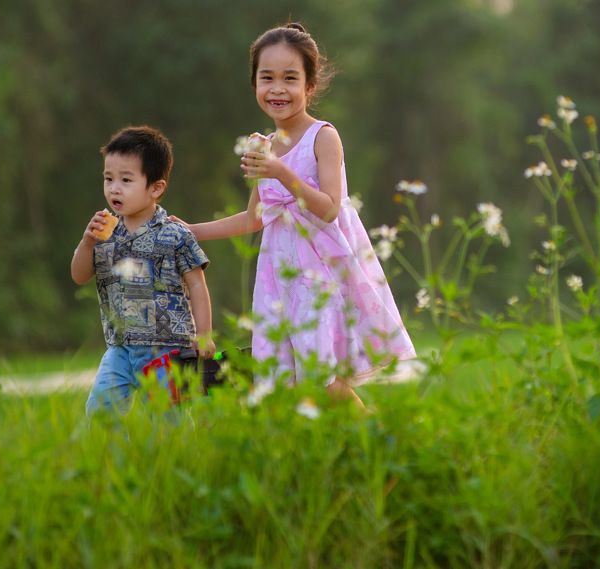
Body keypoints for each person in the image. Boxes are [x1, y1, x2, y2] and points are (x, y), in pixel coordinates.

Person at [172, 23, 416, 406]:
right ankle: (324, 458)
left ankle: (378, 446)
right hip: (277, 281)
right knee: (288, 384)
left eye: (290, 78)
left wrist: (280, 172)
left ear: (310, 85)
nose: (277, 89)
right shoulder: (261, 144)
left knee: (323, 382)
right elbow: (255, 218)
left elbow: (330, 208)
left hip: (319, 277)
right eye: (266, 78)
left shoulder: (323, 136)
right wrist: (192, 230)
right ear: (254, 83)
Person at [71, 125, 214, 414]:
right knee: (100, 410)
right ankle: (110, 459)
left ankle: (176, 459)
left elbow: (197, 285)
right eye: (108, 179)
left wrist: (204, 334)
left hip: (167, 349)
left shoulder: (175, 234)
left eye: (126, 180)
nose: (114, 188)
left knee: (168, 420)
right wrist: (86, 243)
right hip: (120, 347)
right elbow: (79, 275)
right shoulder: (104, 233)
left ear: (155, 188)